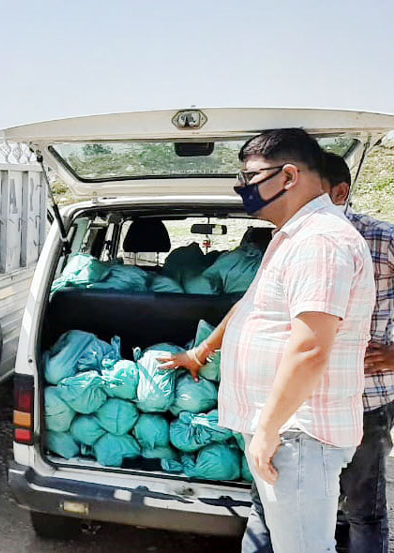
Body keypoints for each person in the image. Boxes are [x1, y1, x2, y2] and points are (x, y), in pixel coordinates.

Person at [164, 129, 375, 553]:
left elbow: (310, 348)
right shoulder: (295, 236)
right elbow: (252, 307)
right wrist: (202, 352)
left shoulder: (320, 241)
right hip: (288, 432)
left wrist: (268, 429)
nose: (241, 188)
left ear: (289, 176)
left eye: (249, 177)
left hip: (298, 433)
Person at [321, 152, 394, 553]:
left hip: (366, 399)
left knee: (363, 509)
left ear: (340, 193)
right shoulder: (290, 240)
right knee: (314, 502)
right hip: (306, 400)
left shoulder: (383, 238)